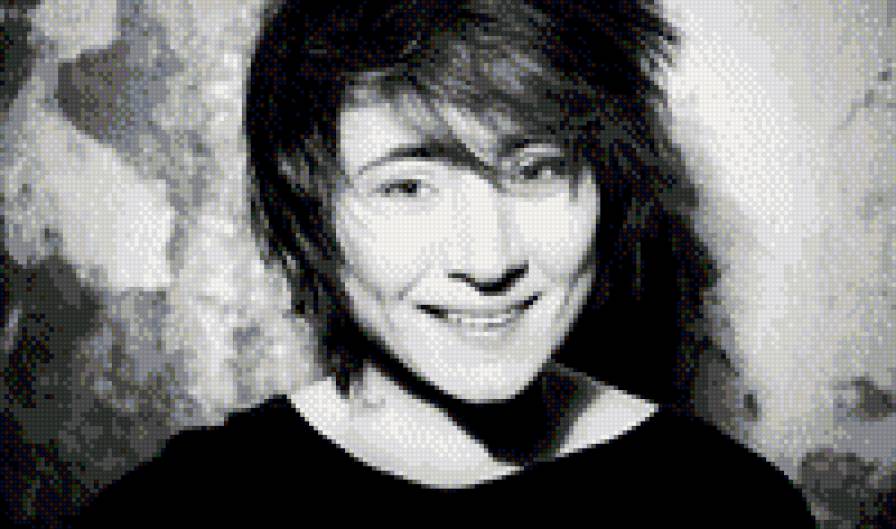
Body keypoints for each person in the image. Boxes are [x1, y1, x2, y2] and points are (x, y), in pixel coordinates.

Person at [71, 0, 816, 526]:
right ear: (310, 211)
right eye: (407, 186)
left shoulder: (734, 508)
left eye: (537, 169)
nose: (489, 260)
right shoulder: (171, 515)